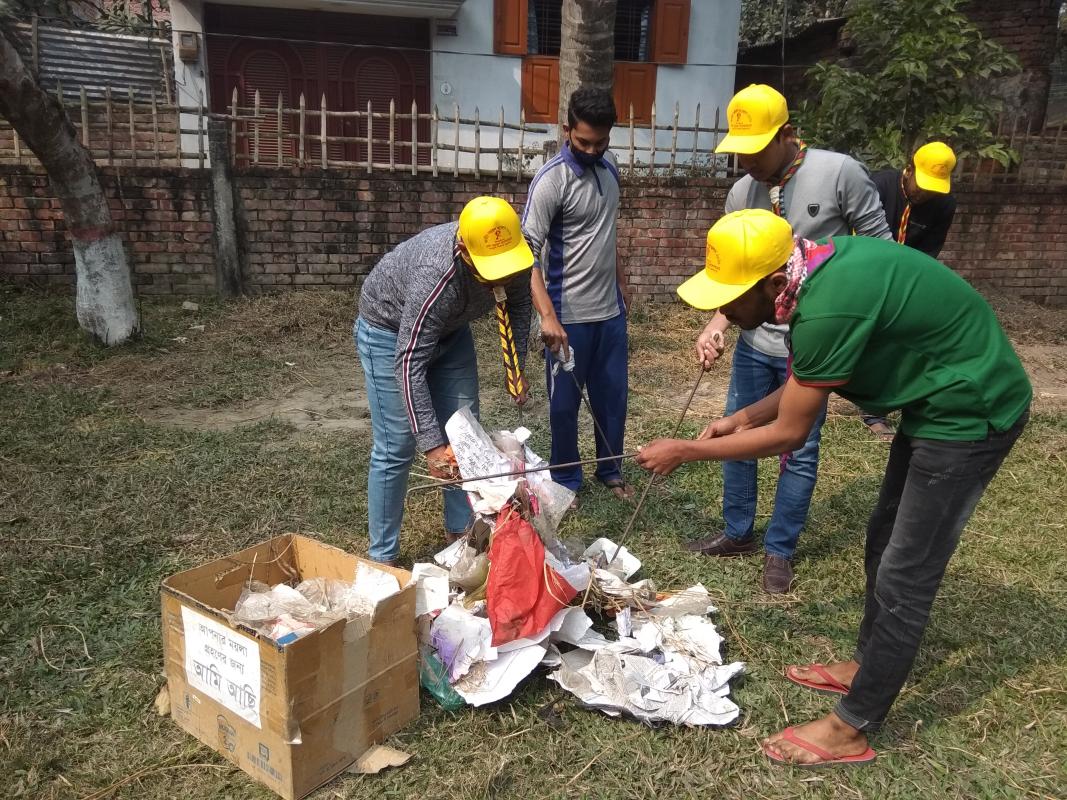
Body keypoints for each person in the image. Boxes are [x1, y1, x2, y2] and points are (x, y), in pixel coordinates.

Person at [637, 209, 1031, 766]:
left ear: (774, 284)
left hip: (971, 411)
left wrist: (688, 450)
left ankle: (853, 726)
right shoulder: (811, 273)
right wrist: (740, 418)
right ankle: (867, 665)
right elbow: (807, 382)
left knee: (906, 573)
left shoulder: (823, 307)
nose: (723, 310)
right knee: (882, 537)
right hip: (934, 403)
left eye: (730, 297)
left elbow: (792, 431)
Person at [690, 84, 892, 592]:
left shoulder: (839, 173)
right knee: (734, 431)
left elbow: (879, 251)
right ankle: (737, 531)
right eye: (739, 149)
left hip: (816, 341)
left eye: (756, 147)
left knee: (796, 447)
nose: (747, 160)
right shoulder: (741, 193)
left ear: (787, 134)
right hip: (757, 341)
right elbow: (734, 277)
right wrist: (717, 323)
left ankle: (779, 548)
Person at [354, 196, 534, 566]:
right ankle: (382, 558)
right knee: (398, 445)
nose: (501, 277)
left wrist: (515, 365)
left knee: (465, 436)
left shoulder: (517, 254)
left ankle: (461, 534)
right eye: (491, 270)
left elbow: (518, 306)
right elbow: (409, 361)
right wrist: (432, 445)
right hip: (388, 331)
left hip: (451, 332)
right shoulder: (437, 272)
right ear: (465, 252)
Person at [522, 87, 634, 506]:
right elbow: (525, 252)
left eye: (600, 142)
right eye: (583, 141)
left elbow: (608, 230)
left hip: (610, 315)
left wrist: (621, 279)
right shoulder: (551, 180)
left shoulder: (611, 169)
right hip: (566, 316)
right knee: (565, 406)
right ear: (566, 128)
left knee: (612, 398)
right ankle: (566, 479)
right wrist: (547, 317)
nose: (591, 149)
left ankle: (612, 469)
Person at [872, 141, 958, 258]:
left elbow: (928, 252)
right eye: (922, 186)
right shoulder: (878, 186)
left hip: (909, 267)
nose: (925, 194)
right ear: (909, 171)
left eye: (933, 189)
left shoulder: (944, 205)